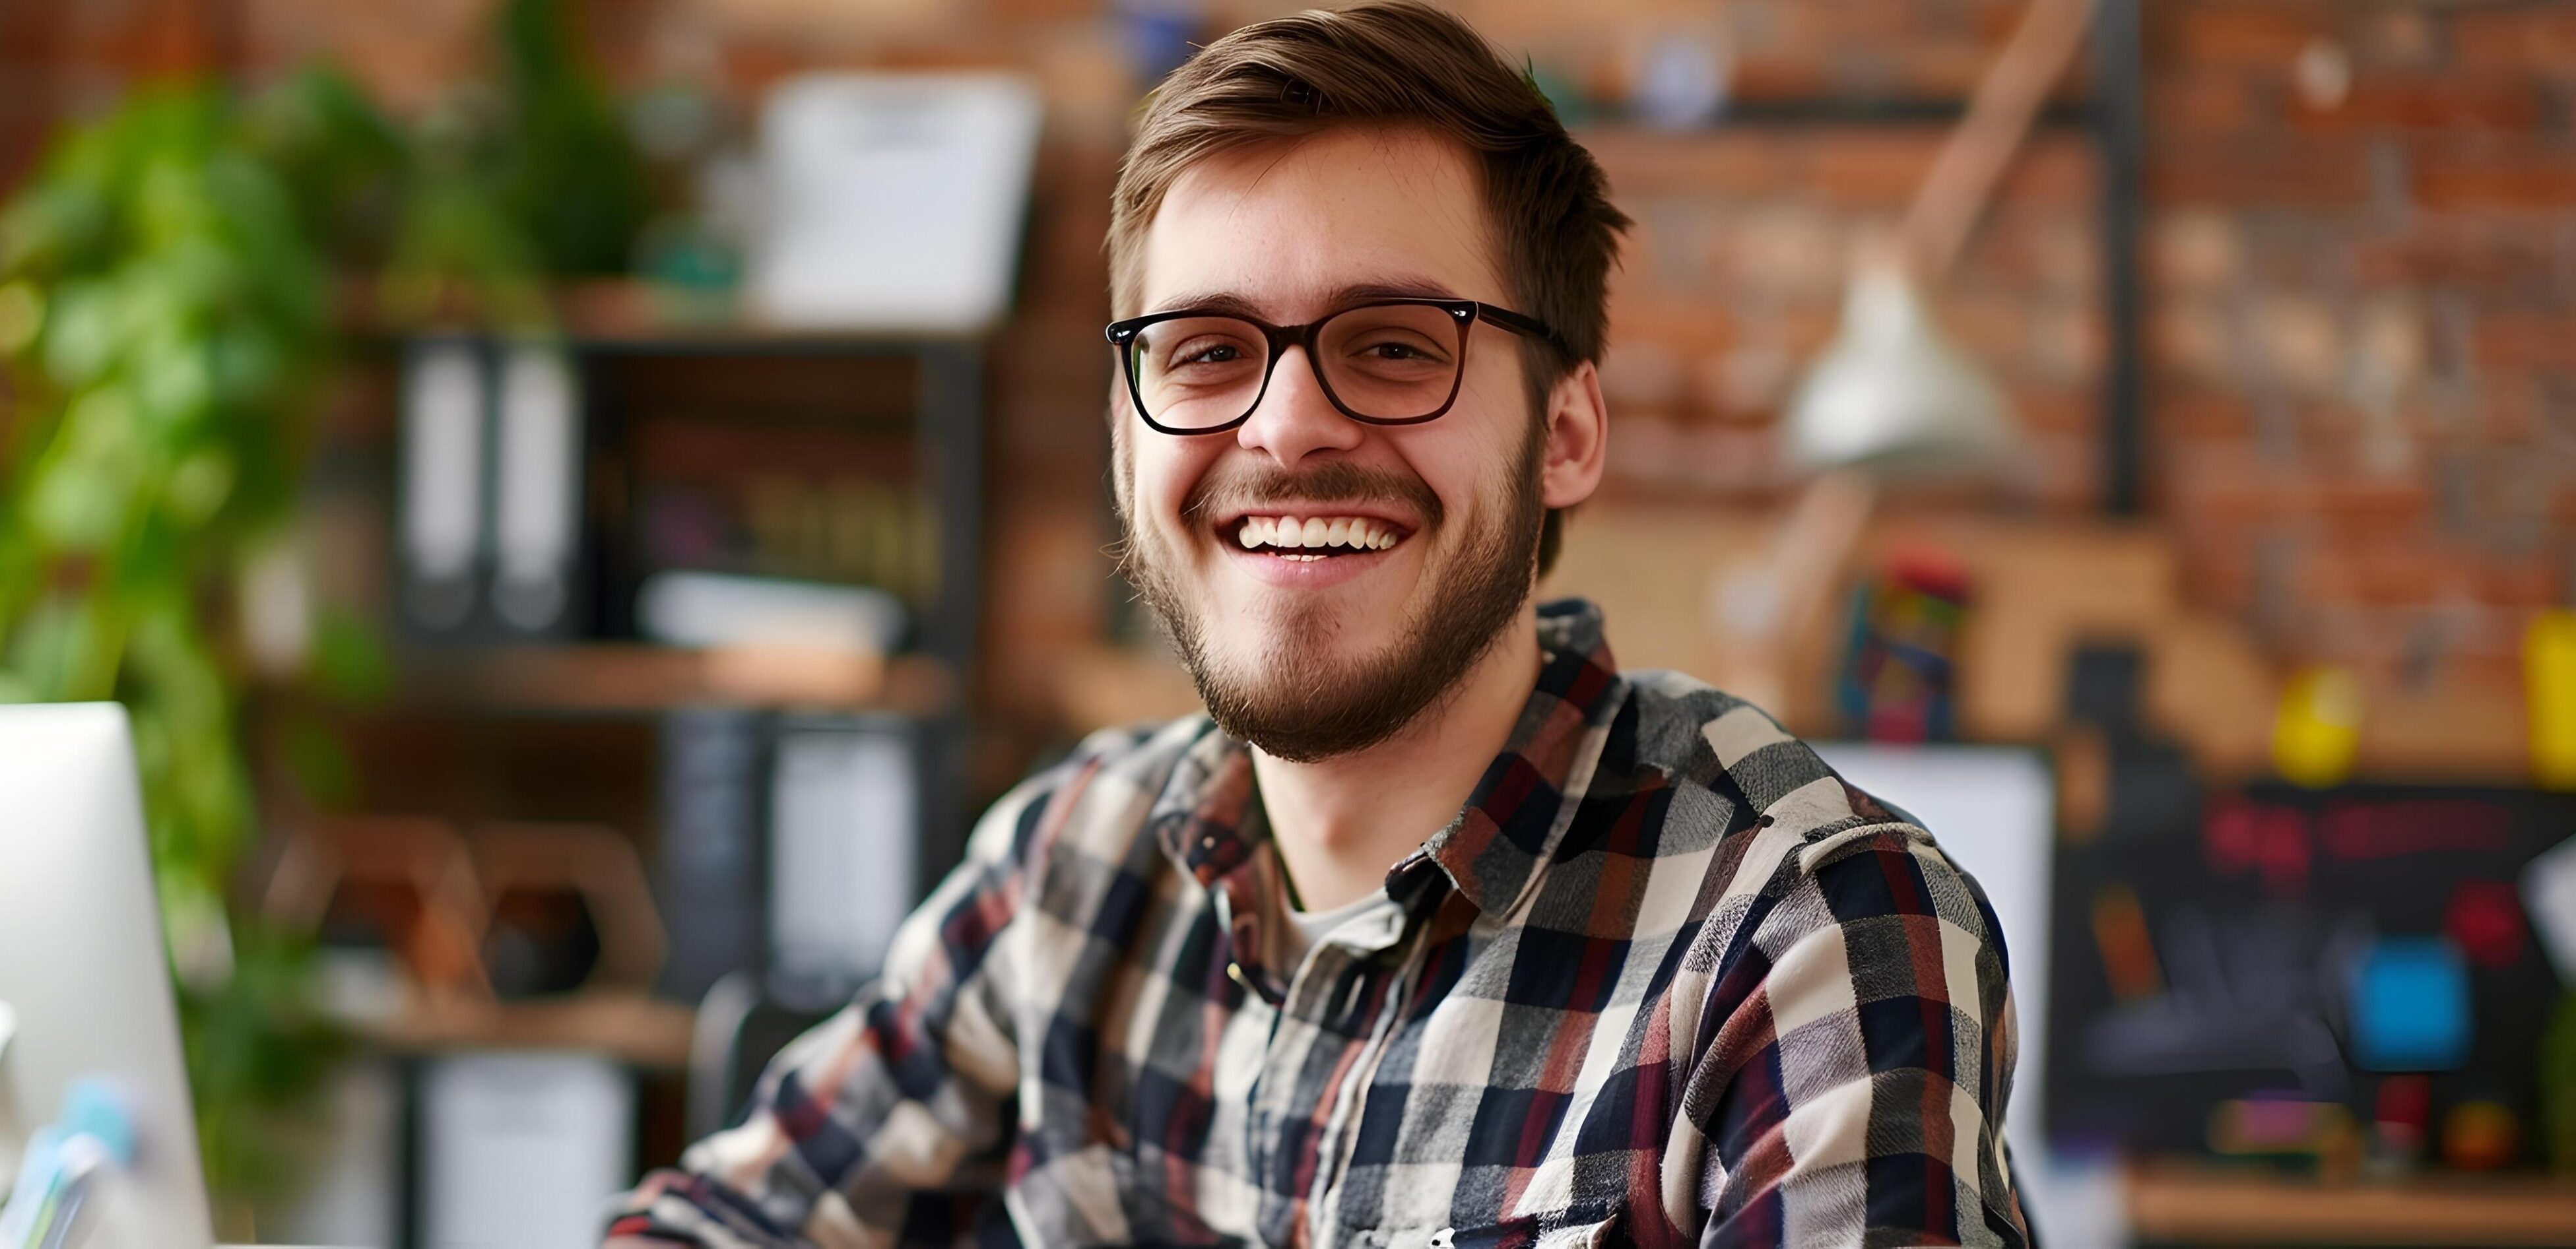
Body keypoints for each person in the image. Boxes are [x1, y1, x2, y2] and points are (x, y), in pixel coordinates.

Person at [609, 3, 2026, 1244]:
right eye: (1207, 353)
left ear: (1568, 431)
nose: (1284, 427)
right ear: (1125, 436)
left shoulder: (1803, 930)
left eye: (1396, 345)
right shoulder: (1066, 875)